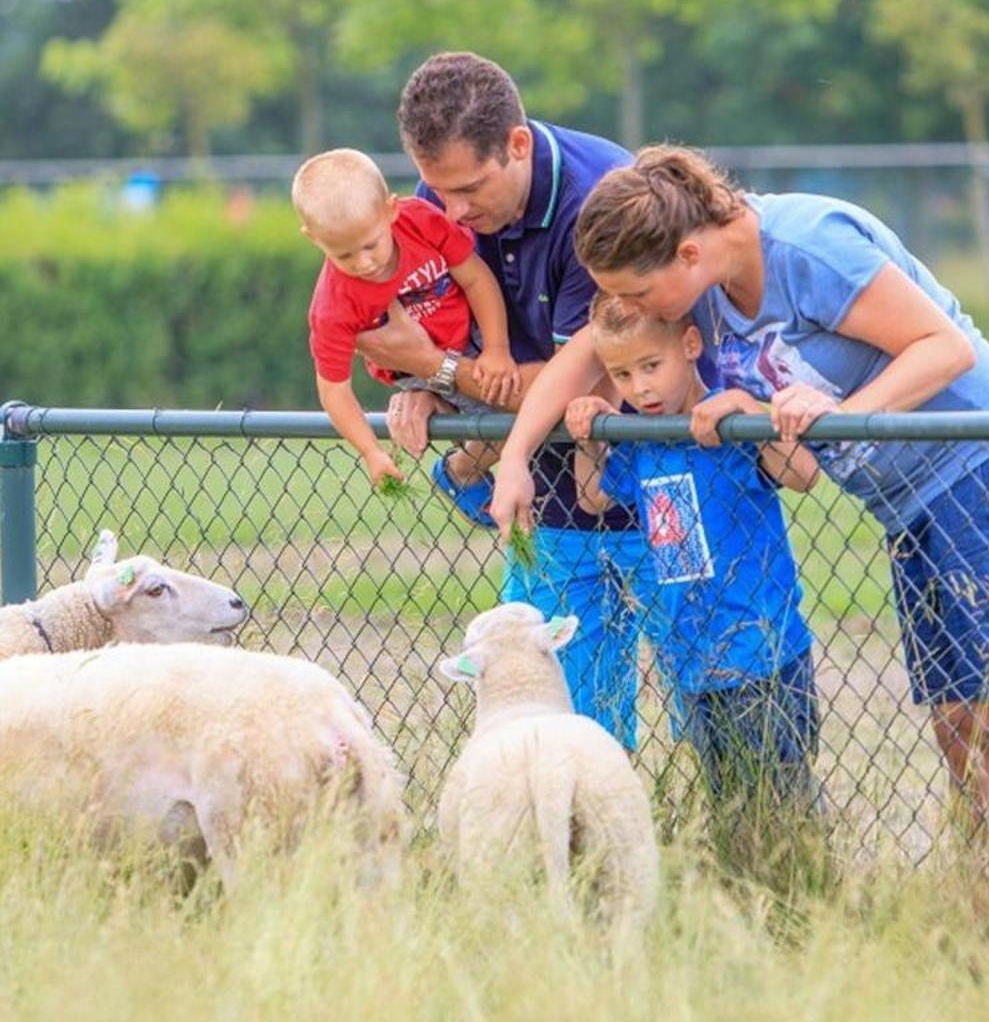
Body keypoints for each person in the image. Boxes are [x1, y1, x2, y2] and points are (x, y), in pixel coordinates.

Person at [489, 145, 989, 876]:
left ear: (687, 252)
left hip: (987, 469)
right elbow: (585, 352)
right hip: (907, 503)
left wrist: (834, 414)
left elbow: (945, 347)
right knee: (959, 726)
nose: (633, 313)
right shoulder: (697, 291)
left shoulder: (807, 245)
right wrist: (517, 456)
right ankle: (988, 904)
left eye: (639, 294)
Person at [355, 52, 648, 745]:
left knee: (715, 698)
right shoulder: (434, 208)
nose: (450, 212)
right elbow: (436, 344)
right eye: (434, 190)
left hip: (638, 472)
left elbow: (580, 372)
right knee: (553, 720)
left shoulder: (599, 198)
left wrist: (435, 366)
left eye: (469, 189)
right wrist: (423, 387)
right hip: (544, 499)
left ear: (517, 145)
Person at [567, 293, 823, 861]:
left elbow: (803, 474)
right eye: (621, 374)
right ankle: (743, 898)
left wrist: (749, 410)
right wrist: (589, 440)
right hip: (690, 660)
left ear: (689, 346)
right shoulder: (642, 440)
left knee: (782, 802)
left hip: (762, 654)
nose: (640, 388)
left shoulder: (728, 431)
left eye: (651, 366)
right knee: (728, 803)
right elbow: (593, 499)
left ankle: (805, 898)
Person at [295, 148, 522, 489]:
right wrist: (371, 451)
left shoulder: (419, 221)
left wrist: (496, 350)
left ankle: (465, 461)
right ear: (314, 239)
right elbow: (333, 391)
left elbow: (476, 278)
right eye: (344, 255)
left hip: (471, 333)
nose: (363, 263)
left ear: (391, 210)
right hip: (415, 370)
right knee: (522, 412)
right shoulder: (333, 305)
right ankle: (463, 474)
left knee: (531, 400)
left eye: (371, 245)